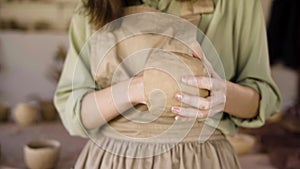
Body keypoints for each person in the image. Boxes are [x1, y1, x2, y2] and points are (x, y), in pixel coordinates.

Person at [54, 0, 281, 168]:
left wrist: (224, 95)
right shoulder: (95, 6)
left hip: (201, 160)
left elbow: (262, 100)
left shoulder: (236, 5)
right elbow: (75, 113)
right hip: (114, 159)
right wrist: (136, 89)